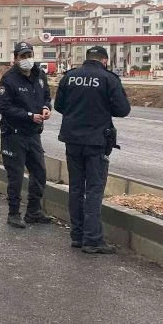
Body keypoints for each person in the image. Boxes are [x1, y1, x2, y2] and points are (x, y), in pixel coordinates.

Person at [54, 46, 131, 254]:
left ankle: (77, 236)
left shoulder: (70, 77)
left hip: (72, 140)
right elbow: (123, 110)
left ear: (87, 59)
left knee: (76, 188)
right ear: (104, 61)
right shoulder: (108, 79)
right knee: (94, 190)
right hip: (96, 142)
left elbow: (59, 106)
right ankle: (93, 240)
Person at [0, 42, 53, 228]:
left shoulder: (39, 74)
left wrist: (46, 108)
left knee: (40, 173)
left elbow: (46, 95)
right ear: (16, 59)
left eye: (29, 54)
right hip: (14, 135)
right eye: (23, 56)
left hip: (34, 134)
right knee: (16, 176)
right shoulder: (9, 79)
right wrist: (29, 115)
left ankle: (33, 211)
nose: (27, 59)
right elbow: (3, 106)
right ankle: (13, 213)